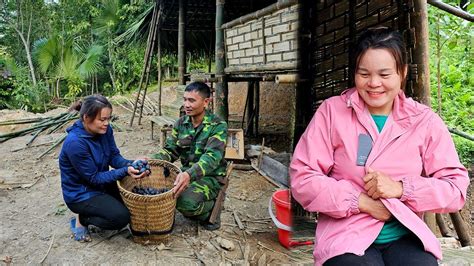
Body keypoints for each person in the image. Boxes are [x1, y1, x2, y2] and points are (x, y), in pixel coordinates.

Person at [290, 27, 469, 266]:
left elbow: (455, 189)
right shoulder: (332, 112)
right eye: (364, 74)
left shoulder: (423, 121)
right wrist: (361, 202)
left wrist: (402, 189)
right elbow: (303, 178)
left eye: (384, 75)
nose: (374, 84)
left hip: (405, 235)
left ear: (402, 73)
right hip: (346, 236)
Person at [59, 94, 148, 242]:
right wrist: (125, 171)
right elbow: (94, 178)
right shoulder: (75, 143)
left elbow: (114, 157)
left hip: (101, 184)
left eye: (109, 118)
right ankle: (84, 218)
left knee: (131, 203)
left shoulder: (105, 131)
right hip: (81, 194)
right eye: (102, 119)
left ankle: (100, 208)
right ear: (87, 118)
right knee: (121, 218)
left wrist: (131, 163)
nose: (107, 123)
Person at [151, 81, 228, 230]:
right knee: (162, 193)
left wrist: (189, 174)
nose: (186, 104)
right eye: (185, 99)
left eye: (192, 100)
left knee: (185, 204)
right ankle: (192, 199)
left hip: (210, 177)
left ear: (206, 102)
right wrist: (152, 160)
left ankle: (212, 210)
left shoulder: (218, 126)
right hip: (185, 174)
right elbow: (170, 150)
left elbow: (212, 158)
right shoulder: (180, 123)